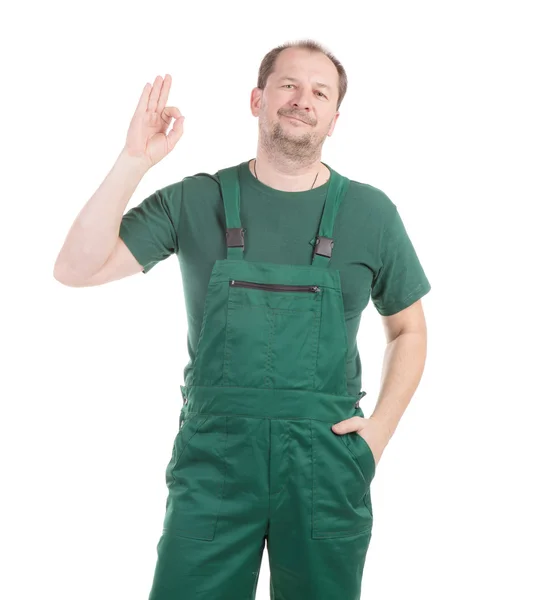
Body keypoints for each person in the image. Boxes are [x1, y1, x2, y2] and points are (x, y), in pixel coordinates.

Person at [54, 39, 431, 600]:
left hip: (325, 467)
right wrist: (135, 159)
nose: (302, 100)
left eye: (319, 92)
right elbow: (75, 269)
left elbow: (409, 329)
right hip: (216, 463)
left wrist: (378, 432)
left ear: (334, 118)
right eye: (288, 85)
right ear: (257, 99)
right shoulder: (192, 200)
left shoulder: (371, 213)